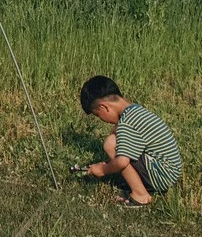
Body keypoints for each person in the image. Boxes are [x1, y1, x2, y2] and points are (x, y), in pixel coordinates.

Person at [76, 75, 183, 206]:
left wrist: (103, 169)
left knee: (111, 143)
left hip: (162, 175)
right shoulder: (135, 110)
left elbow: (122, 161)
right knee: (116, 143)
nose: (102, 119)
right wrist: (108, 163)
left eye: (98, 115)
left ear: (104, 107)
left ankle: (140, 195)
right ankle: (139, 184)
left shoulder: (127, 123)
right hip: (169, 171)